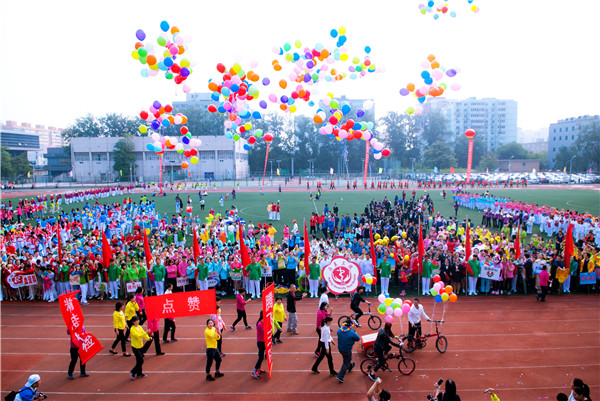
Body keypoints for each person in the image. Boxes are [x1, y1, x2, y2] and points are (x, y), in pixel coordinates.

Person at [336, 318, 360, 383]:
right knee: (346, 362)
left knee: (347, 359)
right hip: (347, 349)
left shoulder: (339, 330)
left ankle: (350, 366)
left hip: (340, 349)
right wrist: (355, 332)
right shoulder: (351, 332)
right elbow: (357, 338)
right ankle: (340, 376)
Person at [251, 312, 267, 379]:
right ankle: (254, 371)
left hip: (263, 342)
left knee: (261, 357)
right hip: (260, 343)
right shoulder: (260, 324)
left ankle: (259, 369)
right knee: (260, 358)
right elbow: (264, 332)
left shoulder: (262, 323)